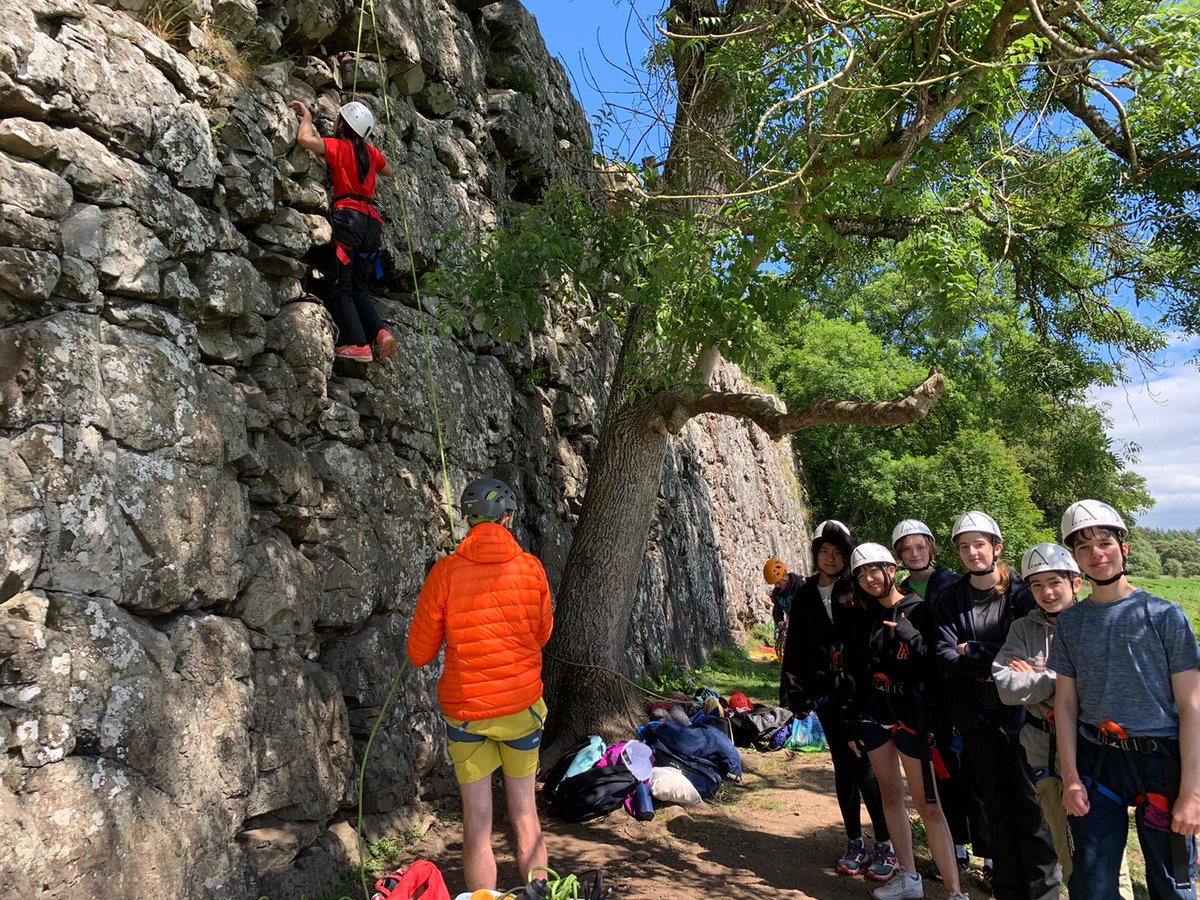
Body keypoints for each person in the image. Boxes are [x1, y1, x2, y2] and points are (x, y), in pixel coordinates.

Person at [407, 477, 554, 892]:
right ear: (507, 519)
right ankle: (539, 893)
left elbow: (419, 654)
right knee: (525, 813)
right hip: (520, 710)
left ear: (468, 519)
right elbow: (542, 634)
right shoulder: (531, 568)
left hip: (467, 712)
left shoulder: (446, 572)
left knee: (478, 822)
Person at [1052, 500, 1200, 900]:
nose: (1096, 554)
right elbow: (1065, 704)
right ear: (1076, 559)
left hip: (1158, 761)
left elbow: (1192, 707)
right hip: (1098, 761)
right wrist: (1070, 778)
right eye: (1083, 548)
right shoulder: (1071, 622)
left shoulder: (1164, 615)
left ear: (1124, 547)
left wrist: (1191, 794)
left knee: (1172, 884)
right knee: (1092, 884)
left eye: (1104, 542)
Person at [994, 543, 1135, 897]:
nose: (1047, 592)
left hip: (1095, 753)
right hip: (1044, 752)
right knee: (1066, 849)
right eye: (1037, 585)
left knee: (1107, 857)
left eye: (1055, 581)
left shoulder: (1097, 622)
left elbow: (1107, 686)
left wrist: (1039, 677)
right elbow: (1007, 687)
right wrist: (1062, 681)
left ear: (1075, 582)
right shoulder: (1023, 630)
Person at [934, 511, 1060, 900]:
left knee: (1031, 807)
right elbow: (943, 656)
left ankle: (1042, 893)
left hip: (1022, 718)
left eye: (980, 544)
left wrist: (970, 649)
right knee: (995, 807)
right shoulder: (950, 597)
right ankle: (1007, 890)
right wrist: (997, 662)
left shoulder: (1022, 594)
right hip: (977, 718)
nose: (973, 553)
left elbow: (1030, 659)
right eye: (965, 546)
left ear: (996, 548)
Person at [843, 542, 969, 900]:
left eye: (875, 570)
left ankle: (955, 892)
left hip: (914, 715)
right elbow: (855, 672)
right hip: (876, 713)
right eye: (862, 574)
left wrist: (911, 637)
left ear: (891, 571)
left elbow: (938, 665)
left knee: (929, 805)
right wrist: (852, 721)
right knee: (890, 795)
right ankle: (909, 877)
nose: (869, 578)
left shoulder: (921, 611)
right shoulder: (862, 617)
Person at [780, 520, 895, 880]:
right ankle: (854, 840)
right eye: (823, 552)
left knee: (865, 766)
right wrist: (794, 691)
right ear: (815, 555)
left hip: (860, 690)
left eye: (837, 553)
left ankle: (887, 843)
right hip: (826, 691)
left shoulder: (856, 588)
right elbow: (796, 644)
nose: (830, 559)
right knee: (844, 767)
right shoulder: (805, 594)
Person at [892, 518, 989, 881]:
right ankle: (957, 849)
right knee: (944, 772)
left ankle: (990, 853)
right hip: (927, 696)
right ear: (900, 555)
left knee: (976, 774)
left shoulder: (953, 584)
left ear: (931, 549)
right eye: (907, 549)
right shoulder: (900, 592)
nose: (914, 553)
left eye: (920, 547)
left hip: (961, 690)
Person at [289, 98, 398, 362]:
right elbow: (390, 171)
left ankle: (356, 343)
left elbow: (304, 140)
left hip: (349, 219)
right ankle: (380, 333)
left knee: (340, 286)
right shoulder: (371, 154)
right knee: (358, 288)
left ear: (341, 124)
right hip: (371, 223)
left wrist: (306, 118)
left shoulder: (338, 147)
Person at [763, 558, 800, 659]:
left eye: (778, 582)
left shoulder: (801, 585)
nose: (776, 586)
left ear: (784, 576)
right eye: (774, 584)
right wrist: (779, 621)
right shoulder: (777, 593)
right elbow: (777, 611)